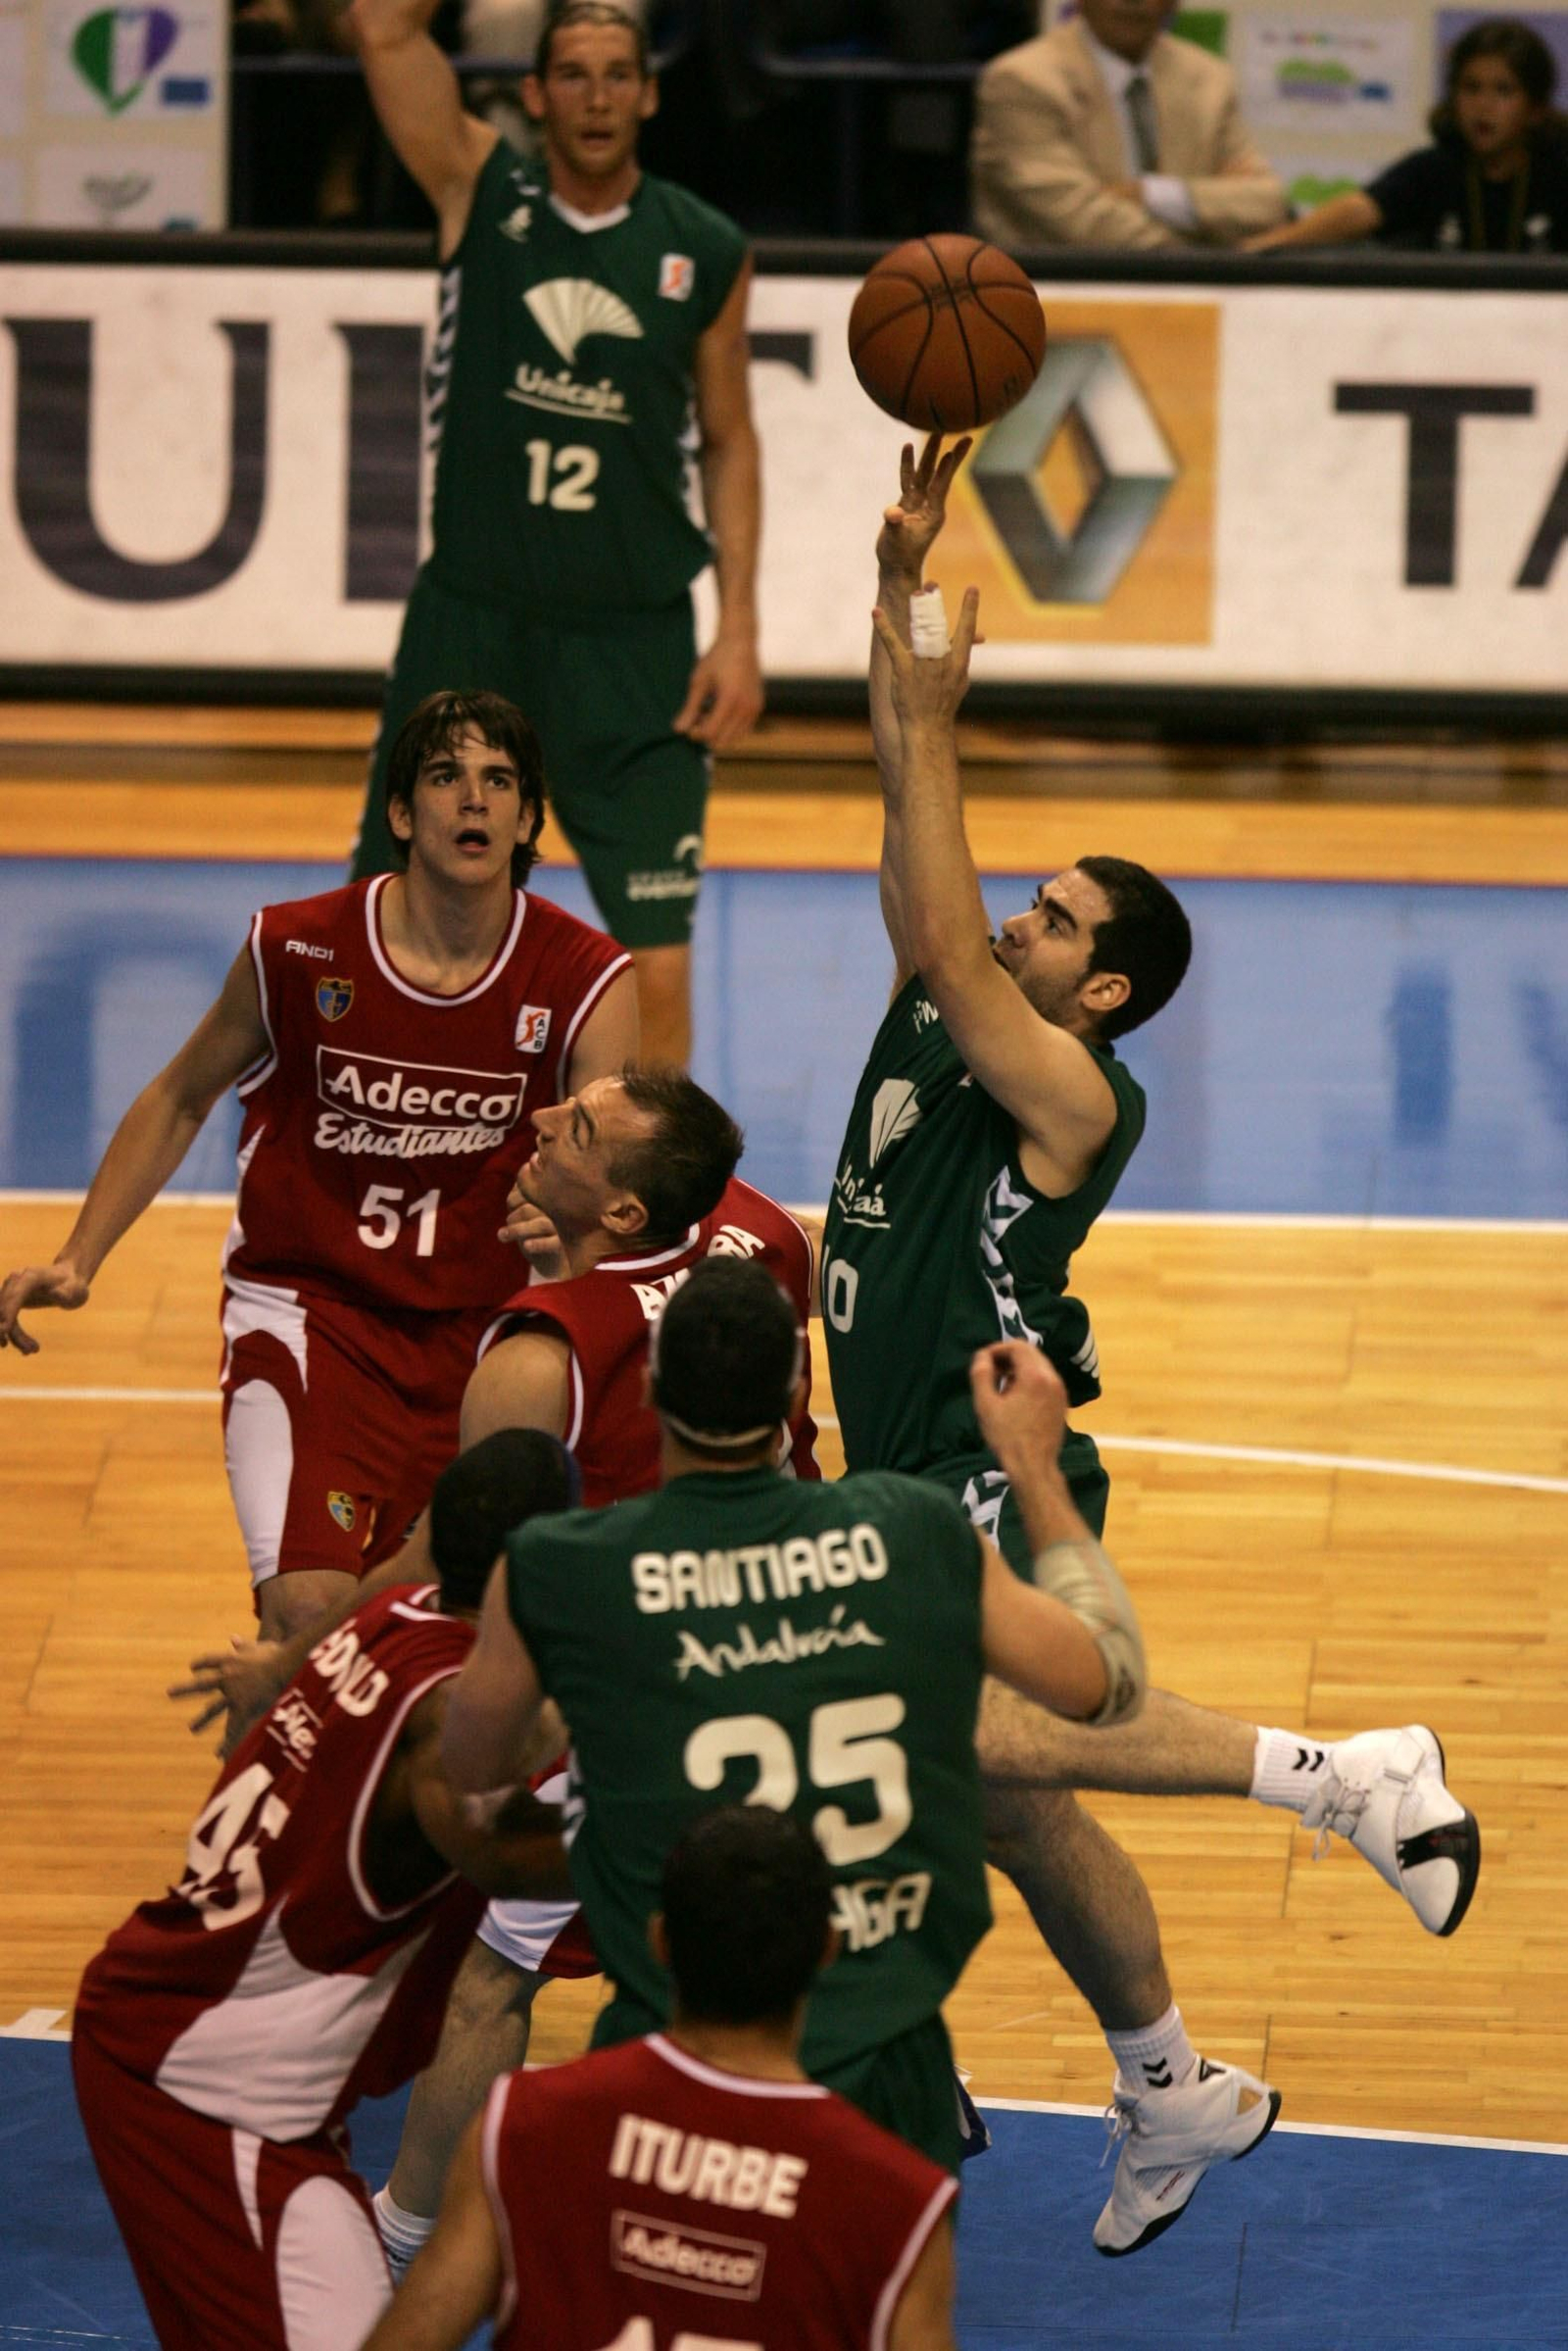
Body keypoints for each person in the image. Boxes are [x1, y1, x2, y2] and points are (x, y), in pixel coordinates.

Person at [823, 436, 1480, 2252]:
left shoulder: (1066, 1085)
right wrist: (903, 585)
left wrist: (945, 705)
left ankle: (1344, 1775)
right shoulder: (941, 1006)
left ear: (1100, 989)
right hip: (887, 1452)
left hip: (981, 1457)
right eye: (1024, 899)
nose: (1016, 920)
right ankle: (1171, 2076)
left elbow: (950, 923)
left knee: (990, 1745)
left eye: (1057, 919)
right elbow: (905, 812)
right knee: (1018, 1804)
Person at [439, 1253, 1155, 2178]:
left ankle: (404, 2233)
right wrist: (1033, 1465)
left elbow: (470, 1769)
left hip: (675, 2051)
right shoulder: (905, 1531)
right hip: (880, 2035)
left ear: (651, 1387)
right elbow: (1105, 1678)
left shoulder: (561, 1568)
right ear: (793, 1394)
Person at [0, 689, 636, 1641]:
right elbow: (179, 1095)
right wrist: (78, 1257)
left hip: (487, 1337)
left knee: (454, 1631)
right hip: (313, 1316)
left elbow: (613, 1169)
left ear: (528, 816)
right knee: (306, 1614)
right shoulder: (296, 947)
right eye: (445, 776)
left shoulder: (586, 978)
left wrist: (571, 1228)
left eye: (499, 781)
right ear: (399, 812)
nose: (474, 800)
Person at [72, 1431, 580, 2351]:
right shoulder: (440, 1714)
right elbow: (501, 1857)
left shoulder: (385, 1619)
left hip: (211, 2055)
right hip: (204, 2094)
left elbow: (412, 1566)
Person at [344, 0, 764, 1064]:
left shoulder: (703, 247)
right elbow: (383, 34)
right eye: (571, 75)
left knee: (655, 959)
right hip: (474, 621)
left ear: (650, 92)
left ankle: (655, 1205)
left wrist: (739, 629)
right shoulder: (479, 190)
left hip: (634, 640)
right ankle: (354, 1152)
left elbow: (728, 439)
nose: (596, 97)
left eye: (617, 74)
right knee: (386, 913)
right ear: (534, 95)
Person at [363, 1806, 959, 2351]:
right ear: (831, 1949)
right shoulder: (899, 2201)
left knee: (489, 1980)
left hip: (640, 1762)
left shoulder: (518, 2134)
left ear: (655, 1939)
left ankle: (399, 2235)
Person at [969, 0, 1287, 251]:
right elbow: (1079, 220)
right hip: (1056, 304)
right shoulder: (1021, 80)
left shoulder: (1209, 78)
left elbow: (1267, 203)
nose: (1132, 1)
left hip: (1194, 303)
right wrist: (1203, 256)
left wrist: (1151, 195)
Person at [1248, 18, 1568, 254]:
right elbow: (1359, 210)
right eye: (1471, 88)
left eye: (1503, 91)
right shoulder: (1434, 169)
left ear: (1535, 108)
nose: (1483, 106)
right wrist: (1269, 244)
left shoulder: (1558, 171)